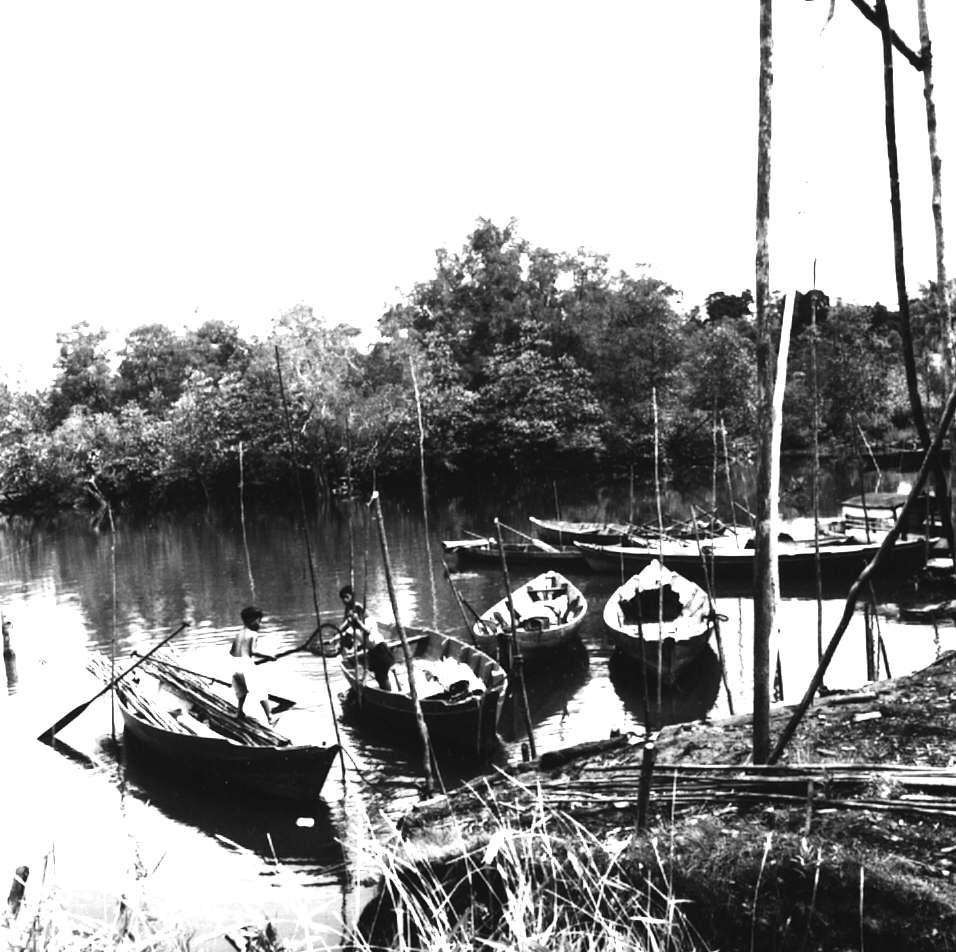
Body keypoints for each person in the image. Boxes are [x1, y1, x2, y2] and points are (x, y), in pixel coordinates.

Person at [339, 585, 395, 691]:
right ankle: (386, 692)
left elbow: (367, 631)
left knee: (382, 676)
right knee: (379, 676)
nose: (344, 601)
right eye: (343, 598)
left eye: (346, 597)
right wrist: (336, 635)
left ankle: (388, 694)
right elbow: (345, 625)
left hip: (380, 649)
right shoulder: (351, 616)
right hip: (373, 650)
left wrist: (357, 622)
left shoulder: (366, 619)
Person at [229, 606, 274, 725]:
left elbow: (232, 652)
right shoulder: (253, 634)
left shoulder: (239, 633)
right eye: (258, 620)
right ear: (251, 620)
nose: (260, 623)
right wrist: (268, 656)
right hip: (246, 666)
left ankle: (239, 712)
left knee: (241, 691)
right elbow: (252, 652)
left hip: (235, 666)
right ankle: (270, 717)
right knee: (261, 691)